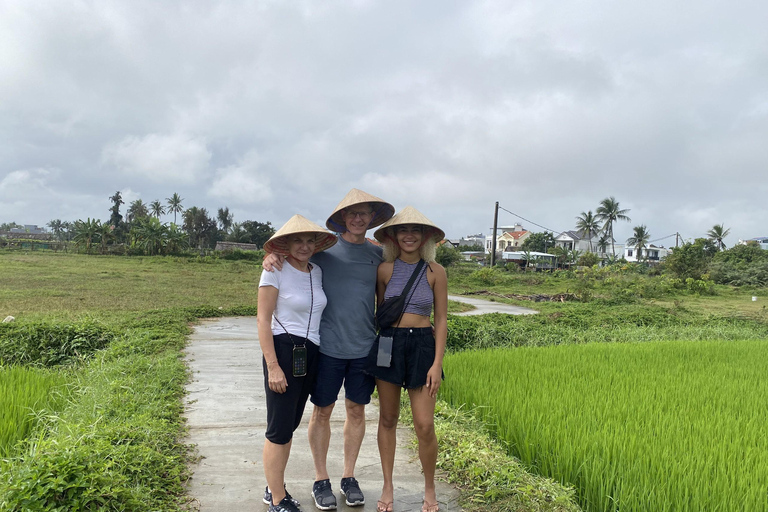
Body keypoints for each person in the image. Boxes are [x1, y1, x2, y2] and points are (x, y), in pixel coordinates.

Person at [262, 189, 394, 510]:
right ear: (342, 218)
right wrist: (269, 257)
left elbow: (389, 302)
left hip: (364, 348)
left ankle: (349, 477)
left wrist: (387, 352)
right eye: (353, 213)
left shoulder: (378, 256)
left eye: (365, 213)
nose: (359, 218)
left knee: (356, 411)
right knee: (322, 411)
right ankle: (321, 479)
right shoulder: (323, 255)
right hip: (326, 349)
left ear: (372, 218)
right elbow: (291, 259)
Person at [366, 206, 448, 512]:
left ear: (425, 237)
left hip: (423, 346)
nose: (409, 236)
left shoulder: (435, 271)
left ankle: (429, 488)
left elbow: (441, 320)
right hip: (388, 344)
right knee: (387, 419)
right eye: (403, 230)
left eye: (415, 231)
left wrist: (437, 363)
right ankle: (388, 486)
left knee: (424, 424)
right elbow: (380, 312)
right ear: (393, 236)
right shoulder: (384, 270)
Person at [257, 215, 337, 512]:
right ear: (285, 244)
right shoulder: (274, 270)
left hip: (310, 351)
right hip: (283, 348)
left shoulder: (316, 271)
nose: (304, 246)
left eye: (309, 241)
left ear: (316, 245)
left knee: (289, 424)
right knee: (278, 427)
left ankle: (272, 485)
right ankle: (277, 499)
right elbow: (263, 320)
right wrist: (273, 366)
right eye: (297, 240)